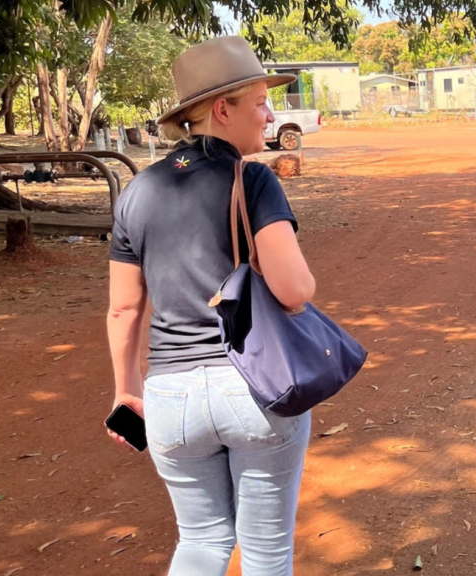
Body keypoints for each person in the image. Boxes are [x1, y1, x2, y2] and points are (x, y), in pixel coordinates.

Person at [105, 36, 317, 576]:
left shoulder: (137, 192)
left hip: (171, 399)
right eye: (259, 103)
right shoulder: (254, 179)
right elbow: (295, 290)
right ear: (222, 110)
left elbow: (124, 311)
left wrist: (125, 391)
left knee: (200, 541)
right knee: (266, 554)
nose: (270, 114)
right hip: (254, 387)